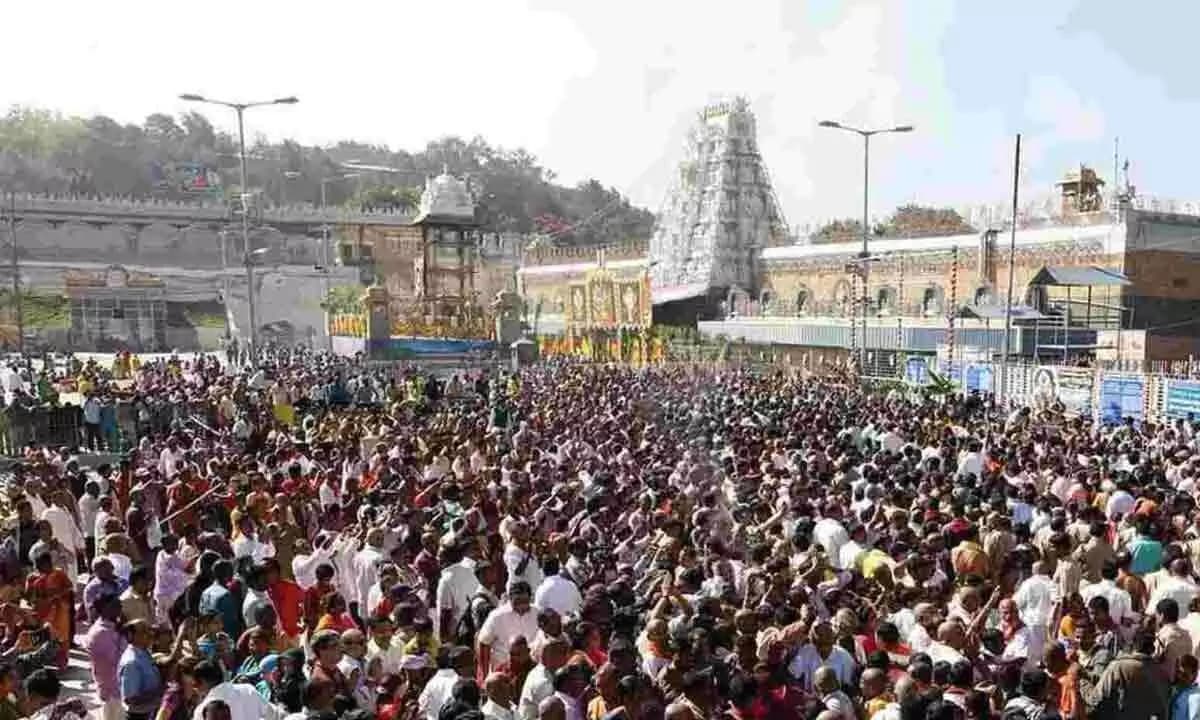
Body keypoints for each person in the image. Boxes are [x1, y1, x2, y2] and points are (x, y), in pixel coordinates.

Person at [85, 593, 128, 720]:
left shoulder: (114, 626)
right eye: (115, 605)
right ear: (104, 609)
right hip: (111, 693)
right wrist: (123, 636)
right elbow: (119, 660)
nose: (120, 607)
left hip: (119, 690)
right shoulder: (99, 634)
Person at [24, 552, 71, 668]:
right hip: (43, 611)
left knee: (60, 636)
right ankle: (46, 659)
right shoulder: (35, 578)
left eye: (40, 565)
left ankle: (62, 662)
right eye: (37, 565)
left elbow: (69, 588)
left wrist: (56, 595)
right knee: (45, 635)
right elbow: (29, 597)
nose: (38, 568)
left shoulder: (59, 574)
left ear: (48, 563)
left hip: (59, 610)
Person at [119, 619, 164, 720]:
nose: (150, 634)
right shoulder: (132, 663)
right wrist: (160, 692)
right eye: (144, 631)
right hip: (140, 716)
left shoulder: (144, 653)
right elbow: (131, 699)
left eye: (149, 630)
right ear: (131, 636)